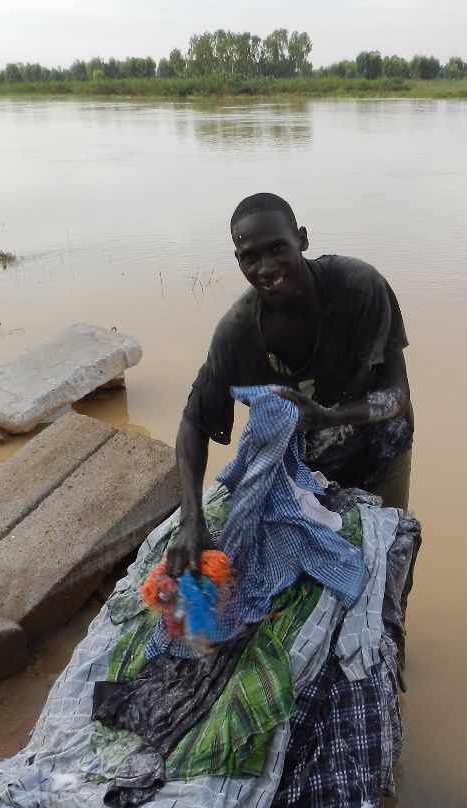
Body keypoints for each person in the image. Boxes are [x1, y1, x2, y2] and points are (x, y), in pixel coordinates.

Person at [168, 192, 413, 576]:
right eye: (250, 256)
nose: (266, 268)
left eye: (277, 248)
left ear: (302, 239)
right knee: (314, 572)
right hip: (306, 470)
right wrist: (191, 520)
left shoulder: (359, 288)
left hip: (380, 447)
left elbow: (397, 393)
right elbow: (193, 422)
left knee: (385, 562)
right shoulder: (237, 333)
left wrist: (328, 417)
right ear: (238, 260)